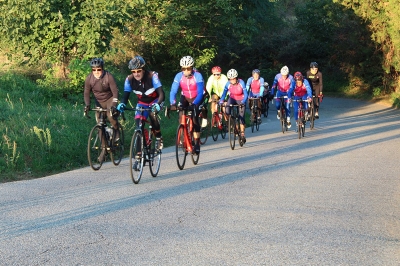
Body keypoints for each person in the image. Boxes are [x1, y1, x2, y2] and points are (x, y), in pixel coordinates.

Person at [117, 55, 165, 155]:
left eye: (138, 71)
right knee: (138, 124)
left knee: (153, 115)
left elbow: (161, 94)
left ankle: (159, 137)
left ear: (143, 69)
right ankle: (140, 154)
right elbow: (126, 96)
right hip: (142, 102)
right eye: (133, 71)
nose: (136, 74)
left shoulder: (152, 76)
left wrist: (158, 104)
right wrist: (122, 104)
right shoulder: (129, 80)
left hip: (155, 100)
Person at [84, 57, 120, 162]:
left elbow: (115, 92)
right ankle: (104, 149)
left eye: (98, 69)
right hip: (98, 102)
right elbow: (86, 92)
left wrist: (114, 105)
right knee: (100, 125)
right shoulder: (89, 78)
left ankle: (116, 129)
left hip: (110, 99)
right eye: (94, 70)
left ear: (102, 69)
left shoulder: (109, 77)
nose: (96, 72)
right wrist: (87, 105)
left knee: (110, 115)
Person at [170, 56, 205, 155]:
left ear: (192, 67)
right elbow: (173, 91)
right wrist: (172, 103)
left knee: (194, 119)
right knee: (181, 114)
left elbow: (199, 93)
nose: (186, 71)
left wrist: (194, 104)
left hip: (197, 97)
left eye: (188, 68)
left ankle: (197, 143)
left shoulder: (198, 76)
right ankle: (183, 135)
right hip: (185, 97)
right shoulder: (178, 76)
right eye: (183, 69)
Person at [219, 69, 248, 142]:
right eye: (230, 79)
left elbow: (246, 94)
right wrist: (221, 100)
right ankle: (233, 124)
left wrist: (243, 101)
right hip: (232, 98)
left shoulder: (241, 82)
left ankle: (242, 133)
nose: (232, 81)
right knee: (227, 111)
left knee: (241, 117)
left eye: (233, 79)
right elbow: (224, 94)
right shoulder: (228, 84)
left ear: (237, 78)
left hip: (241, 99)